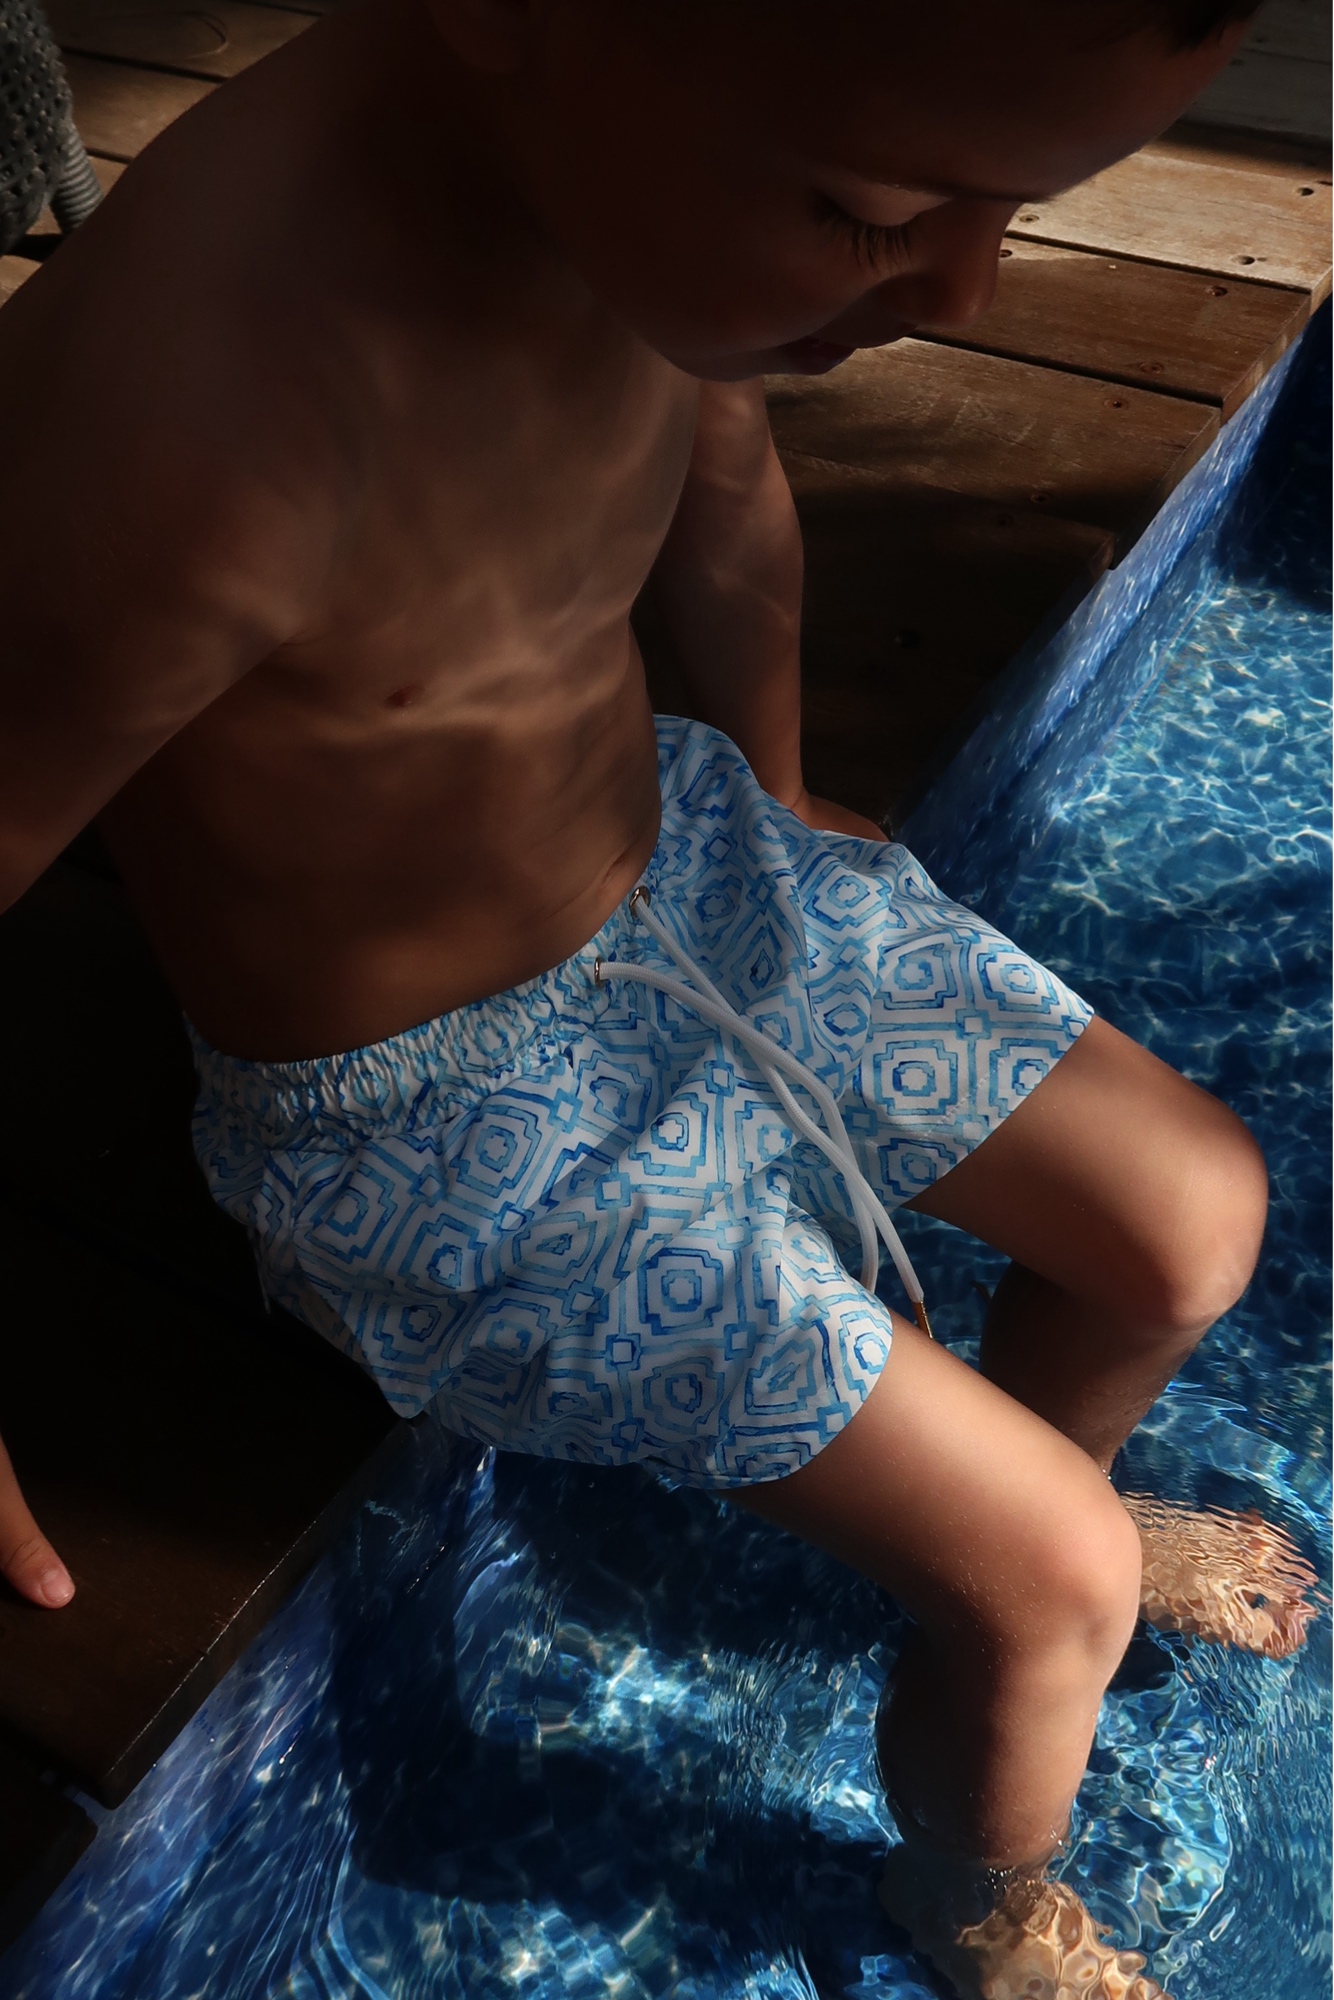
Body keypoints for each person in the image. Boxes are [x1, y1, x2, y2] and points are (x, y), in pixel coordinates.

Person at [0, 0, 1316, 1989]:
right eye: (877, 210)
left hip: (682, 868)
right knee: (1049, 1583)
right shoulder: (191, 432)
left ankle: (1017, 1522)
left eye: (1012, 213)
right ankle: (969, 1887)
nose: (967, 293)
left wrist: (771, 789)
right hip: (442, 1120)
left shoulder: (635, 203)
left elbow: (721, 498)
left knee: (1191, 1217)